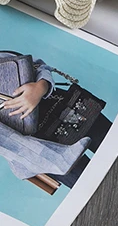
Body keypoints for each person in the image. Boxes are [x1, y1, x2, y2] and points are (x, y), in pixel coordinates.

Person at [0, 51, 110, 189]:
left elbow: (38, 66)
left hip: (67, 111)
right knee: (100, 189)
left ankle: (41, 158)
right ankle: (44, 157)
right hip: (41, 142)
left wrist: (40, 87)